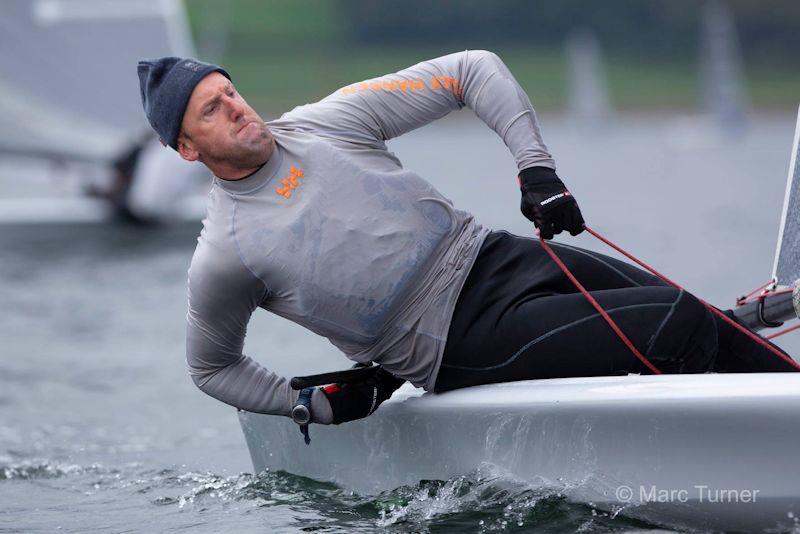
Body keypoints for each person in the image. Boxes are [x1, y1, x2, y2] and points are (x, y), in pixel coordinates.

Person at [136, 51, 798, 430]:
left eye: (231, 91)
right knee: (679, 325)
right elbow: (211, 367)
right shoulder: (226, 253)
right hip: (455, 341)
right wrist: (307, 404)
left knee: (707, 322)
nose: (238, 107)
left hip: (501, 257)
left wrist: (535, 168)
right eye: (212, 109)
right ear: (189, 148)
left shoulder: (325, 125)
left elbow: (470, 69)